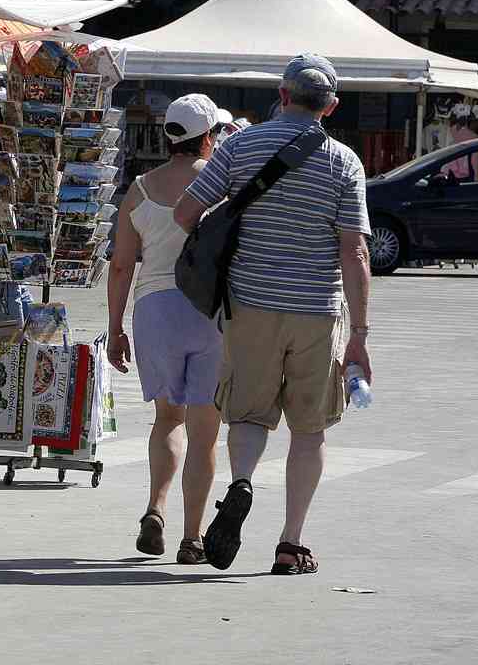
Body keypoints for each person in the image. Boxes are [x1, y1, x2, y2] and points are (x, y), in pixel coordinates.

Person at [173, 53, 372, 575]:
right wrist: (361, 336)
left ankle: (240, 483)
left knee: (248, 414)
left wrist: (237, 219)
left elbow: (185, 212)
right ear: (330, 107)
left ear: (282, 96)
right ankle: (291, 544)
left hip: (250, 304)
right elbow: (354, 251)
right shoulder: (343, 161)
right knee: (310, 429)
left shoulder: (238, 145)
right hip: (317, 310)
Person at [107, 94, 223, 565]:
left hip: (154, 311)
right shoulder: (221, 186)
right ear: (209, 137)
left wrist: (115, 329)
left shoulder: (138, 189)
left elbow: (119, 267)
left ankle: (156, 507)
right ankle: (192, 537)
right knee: (205, 431)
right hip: (210, 312)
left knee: (167, 419)